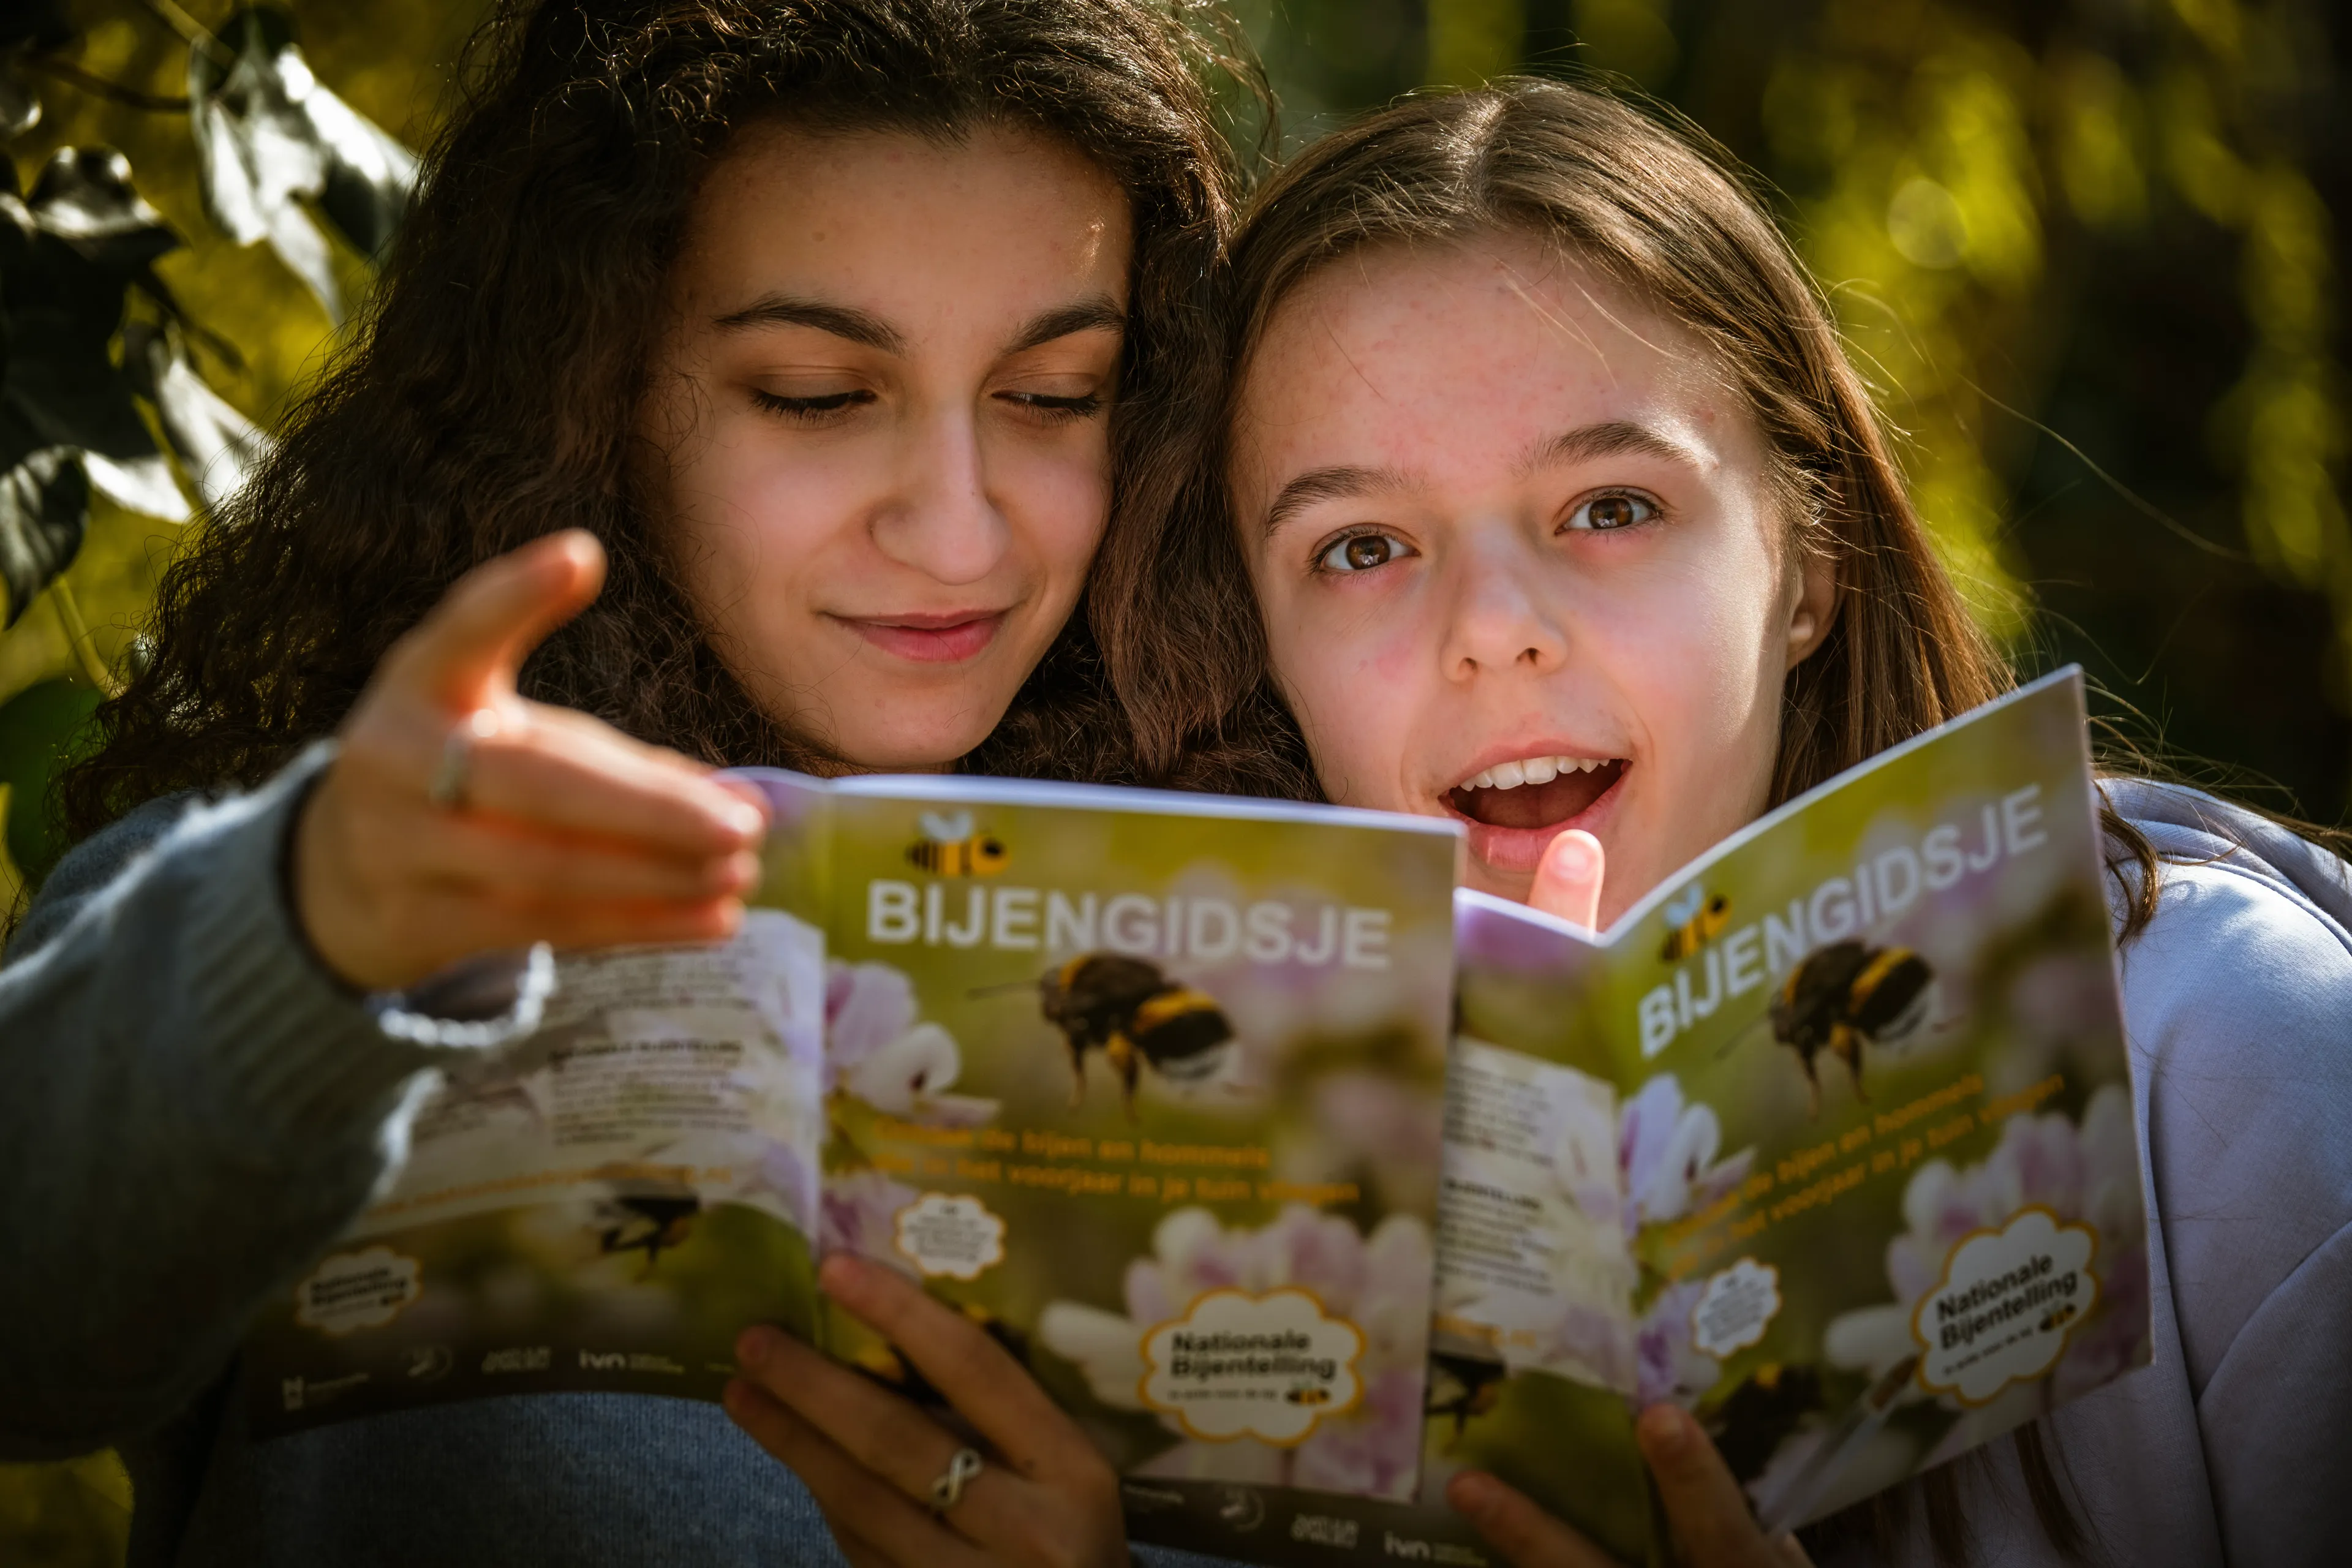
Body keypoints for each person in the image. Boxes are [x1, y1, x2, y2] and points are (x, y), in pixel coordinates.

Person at [0, 1, 1292, 1564]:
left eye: (1054, 394)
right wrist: (306, 929)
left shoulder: (1283, 908)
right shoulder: (330, 870)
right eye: (818, 392)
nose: (964, 534)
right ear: (591, 390)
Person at [1177, 79, 2352, 1567]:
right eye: (1359, 547)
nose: (1494, 627)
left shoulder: (2236, 1051)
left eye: (1610, 505)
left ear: (1808, 569)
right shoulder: (1222, 1217)